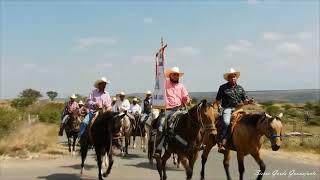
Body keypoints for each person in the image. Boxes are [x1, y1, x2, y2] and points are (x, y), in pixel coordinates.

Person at [154, 66, 191, 156]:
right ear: (170, 75)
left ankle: (194, 143)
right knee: (160, 127)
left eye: (177, 75)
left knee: (192, 121)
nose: (176, 76)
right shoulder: (165, 84)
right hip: (168, 110)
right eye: (174, 74)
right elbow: (158, 87)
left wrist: (187, 99)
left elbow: (186, 97)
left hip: (180, 109)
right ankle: (158, 149)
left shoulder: (181, 86)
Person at [216, 68, 254, 153]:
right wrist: (219, 106)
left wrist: (249, 101)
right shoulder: (223, 88)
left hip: (239, 109)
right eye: (231, 77)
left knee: (249, 121)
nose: (233, 78)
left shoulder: (240, 88)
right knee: (226, 122)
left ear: (236, 78)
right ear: (228, 78)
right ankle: (221, 142)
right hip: (227, 108)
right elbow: (218, 100)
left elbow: (244, 100)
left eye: (234, 76)